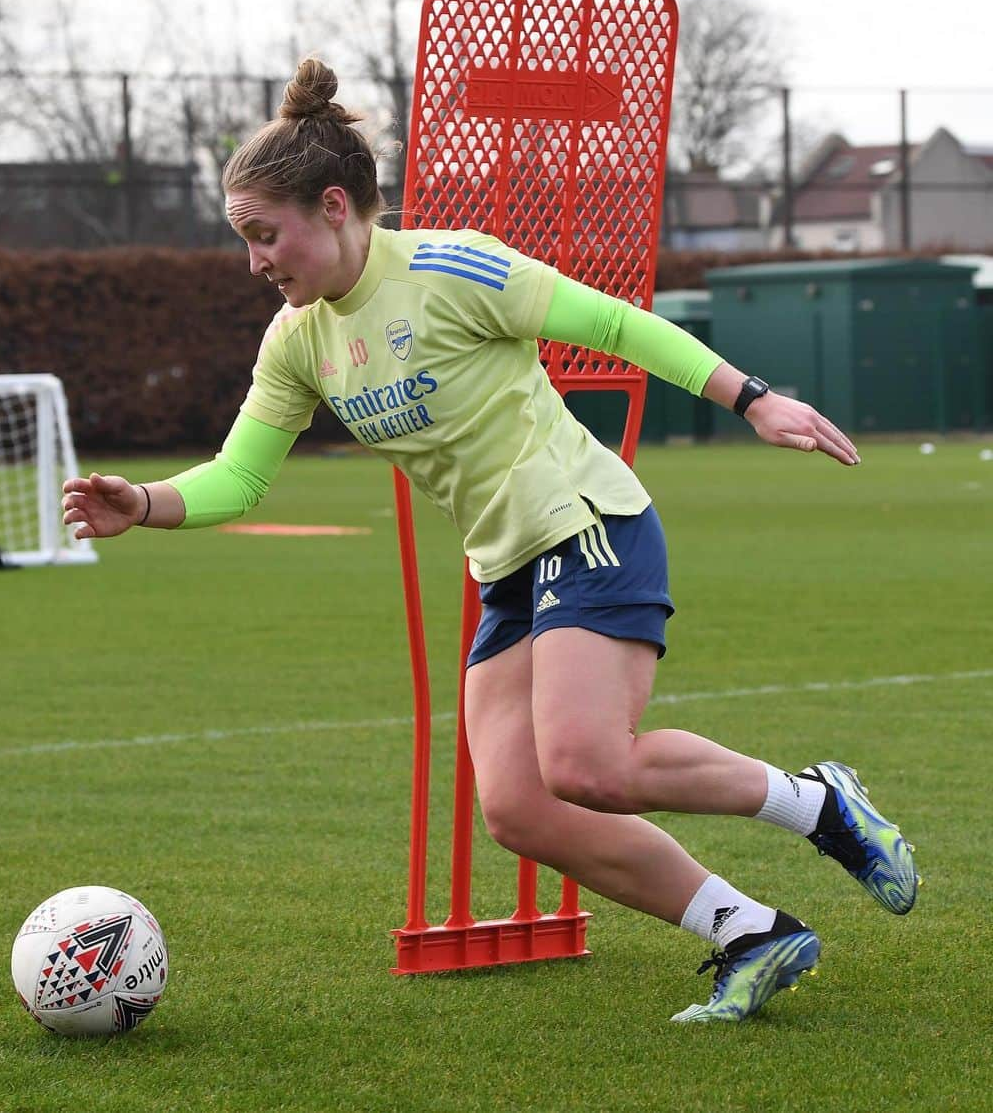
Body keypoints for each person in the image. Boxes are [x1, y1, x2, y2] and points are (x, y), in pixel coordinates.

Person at [62, 57, 918, 1024]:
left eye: (266, 235)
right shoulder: (296, 338)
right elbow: (241, 476)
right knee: (518, 809)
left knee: (588, 764)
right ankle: (750, 932)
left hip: (587, 523)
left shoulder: (450, 267)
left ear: (335, 206)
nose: (257, 260)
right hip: (507, 565)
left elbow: (615, 325)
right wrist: (143, 499)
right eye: (245, 240)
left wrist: (754, 401)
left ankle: (819, 803)